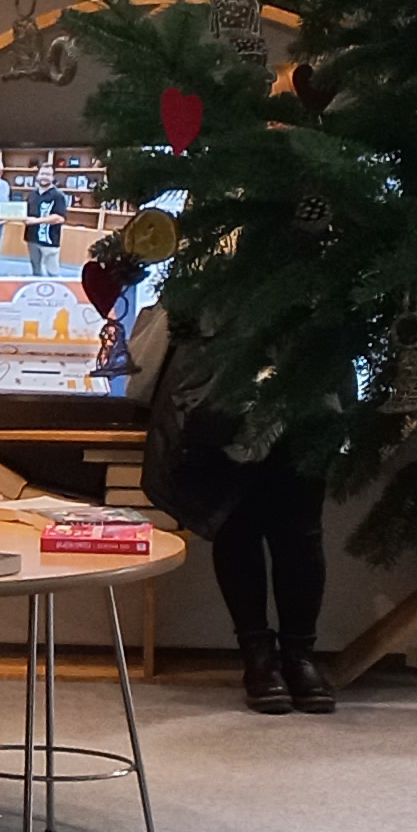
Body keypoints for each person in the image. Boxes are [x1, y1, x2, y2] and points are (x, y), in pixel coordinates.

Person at [133, 288, 337, 715]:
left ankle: (299, 656)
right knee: (234, 522)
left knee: (301, 532)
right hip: (221, 389)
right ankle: (257, 656)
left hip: (305, 381)